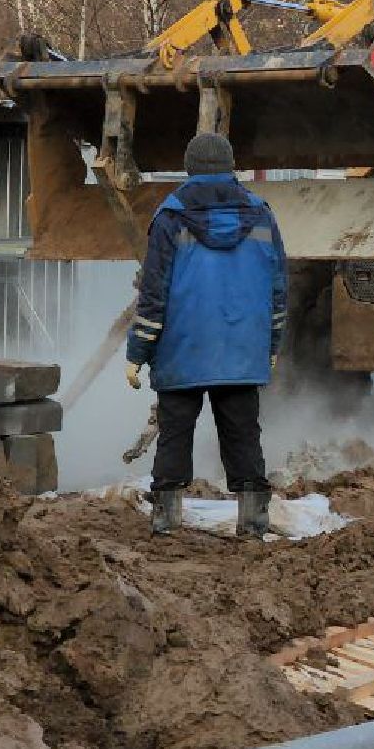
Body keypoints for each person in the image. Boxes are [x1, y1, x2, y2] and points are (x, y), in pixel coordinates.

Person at [125, 132, 287, 538]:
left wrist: (138, 352)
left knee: (175, 433)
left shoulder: (170, 216)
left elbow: (154, 291)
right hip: (242, 350)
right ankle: (252, 523)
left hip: (183, 348)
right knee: (243, 434)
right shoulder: (262, 215)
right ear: (232, 165)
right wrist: (271, 346)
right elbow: (278, 287)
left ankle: (165, 520)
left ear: (189, 167)